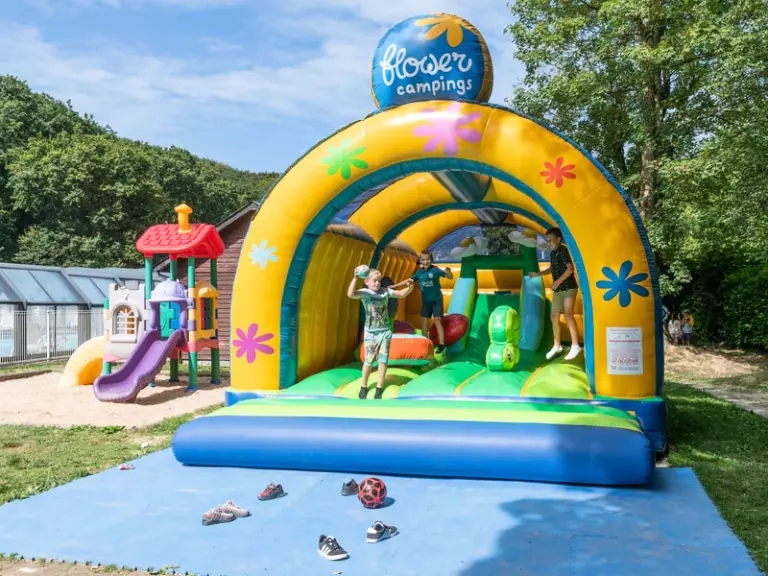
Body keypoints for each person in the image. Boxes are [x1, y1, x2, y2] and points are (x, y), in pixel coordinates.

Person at [348, 267, 414, 399]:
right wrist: (355, 278)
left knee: (383, 360)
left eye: (379, 280)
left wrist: (410, 288)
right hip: (371, 333)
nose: (377, 283)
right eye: (374, 281)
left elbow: (401, 294)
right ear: (366, 281)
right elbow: (351, 294)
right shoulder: (365, 293)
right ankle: (363, 386)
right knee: (369, 360)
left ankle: (379, 387)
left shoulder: (385, 292)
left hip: (385, 331)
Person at [528, 227, 581, 361]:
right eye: (547, 241)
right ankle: (557, 345)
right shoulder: (553, 253)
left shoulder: (564, 251)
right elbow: (552, 268)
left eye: (550, 240)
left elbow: (570, 269)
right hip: (559, 290)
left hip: (568, 288)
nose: (548, 243)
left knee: (568, 313)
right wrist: (537, 274)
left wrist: (557, 282)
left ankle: (575, 345)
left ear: (558, 239)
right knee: (554, 315)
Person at [410, 250, 454, 353]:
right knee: (423, 320)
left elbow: (450, 277)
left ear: (431, 260)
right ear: (420, 261)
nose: (426, 262)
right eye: (423, 260)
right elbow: (411, 280)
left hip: (436, 300)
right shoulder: (419, 273)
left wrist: (448, 272)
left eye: (428, 259)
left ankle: (441, 344)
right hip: (426, 301)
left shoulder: (435, 270)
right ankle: (425, 342)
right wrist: (399, 285)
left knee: (437, 320)